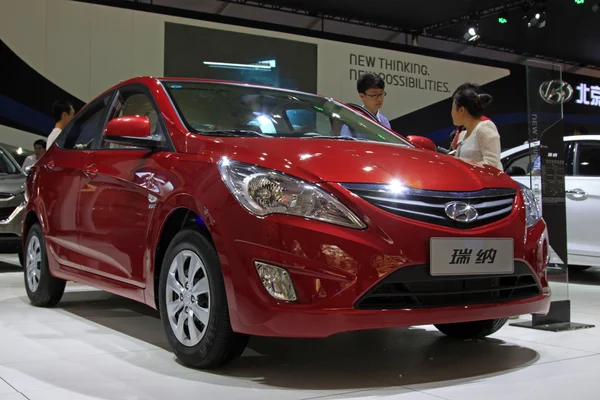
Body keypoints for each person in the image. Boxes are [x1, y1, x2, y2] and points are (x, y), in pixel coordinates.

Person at [451, 84, 503, 170]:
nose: (451, 113)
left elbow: (492, 165)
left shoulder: (484, 128)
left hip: (486, 183)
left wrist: (465, 165)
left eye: (452, 109)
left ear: (461, 110)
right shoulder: (462, 135)